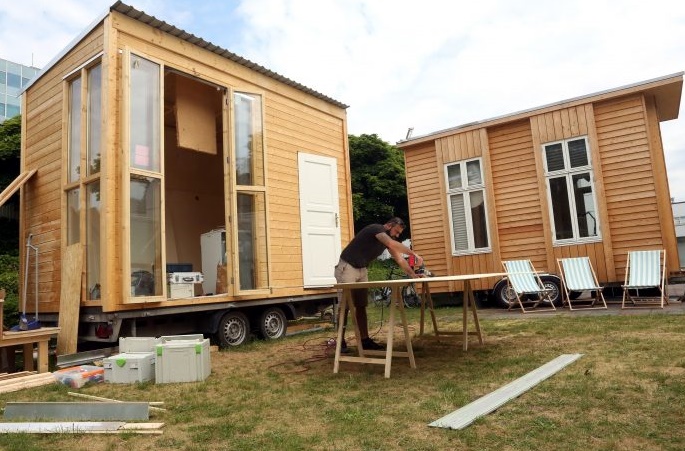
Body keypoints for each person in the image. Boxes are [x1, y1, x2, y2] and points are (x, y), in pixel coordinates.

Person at [334, 217, 424, 351]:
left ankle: (365, 340)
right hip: (347, 267)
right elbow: (393, 244)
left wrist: (413, 275)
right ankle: (340, 341)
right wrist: (413, 254)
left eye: (399, 234)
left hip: (362, 269)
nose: (397, 235)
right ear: (389, 225)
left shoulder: (387, 241)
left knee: (361, 306)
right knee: (345, 306)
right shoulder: (377, 229)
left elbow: (399, 259)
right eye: (396, 232)